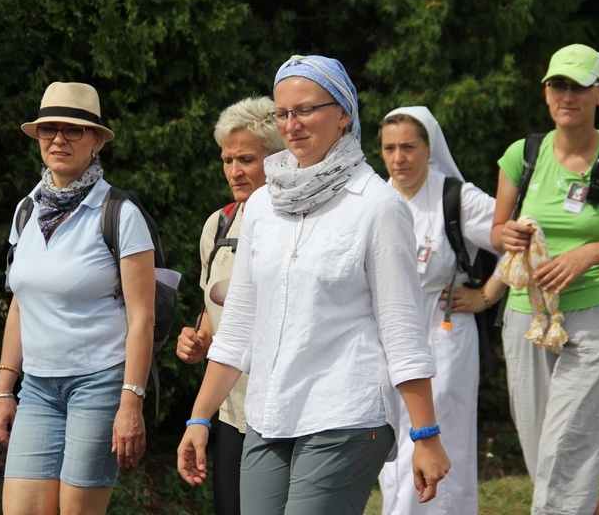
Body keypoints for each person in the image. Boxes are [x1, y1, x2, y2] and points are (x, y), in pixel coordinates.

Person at [177, 55, 451, 514]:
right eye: (282, 113)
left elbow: (403, 331)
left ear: (343, 113)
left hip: (346, 413)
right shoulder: (262, 206)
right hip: (268, 415)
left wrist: (425, 435)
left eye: (305, 110)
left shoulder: (378, 207)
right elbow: (240, 324)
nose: (291, 124)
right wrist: (200, 417)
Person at [491, 44, 599, 515]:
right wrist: (508, 234)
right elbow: (496, 231)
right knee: (542, 455)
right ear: (546, 92)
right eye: (558, 85)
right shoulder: (521, 155)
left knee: (566, 450)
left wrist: (593, 253)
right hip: (527, 319)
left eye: (579, 86)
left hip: (595, 321)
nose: (568, 95)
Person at [0, 82, 155, 515]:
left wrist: (131, 400)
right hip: (38, 390)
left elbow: (143, 319)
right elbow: (21, 301)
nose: (59, 139)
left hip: (99, 385)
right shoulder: (26, 210)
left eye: (74, 130)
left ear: (97, 140)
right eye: (49, 129)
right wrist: (4, 386)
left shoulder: (120, 213)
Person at [377, 107, 504, 515]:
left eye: (409, 147)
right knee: (392, 436)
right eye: (390, 148)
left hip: (443, 329)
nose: (399, 158)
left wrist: (486, 295)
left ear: (428, 148)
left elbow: (520, 240)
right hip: (386, 333)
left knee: (442, 431)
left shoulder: (456, 197)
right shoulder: (376, 199)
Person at [175, 96, 284, 515]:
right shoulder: (218, 224)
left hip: (281, 410)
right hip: (230, 409)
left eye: (246, 160)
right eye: (227, 159)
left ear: (277, 159)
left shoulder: (296, 223)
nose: (234, 171)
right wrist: (197, 338)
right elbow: (210, 308)